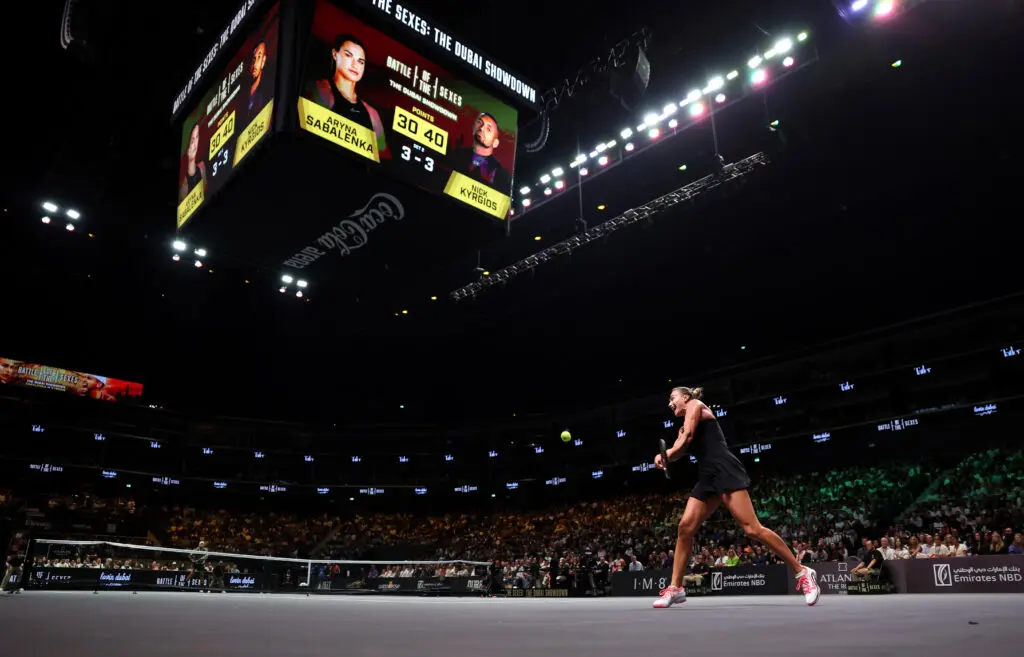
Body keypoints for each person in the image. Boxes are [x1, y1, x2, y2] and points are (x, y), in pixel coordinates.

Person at [652, 386, 820, 608]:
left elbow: (688, 437)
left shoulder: (696, 405)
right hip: (708, 475)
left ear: (686, 398)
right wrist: (665, 457)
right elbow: (680, 447)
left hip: (724, 468)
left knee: (752, 529)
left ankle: (802, 572)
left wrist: (669, 454)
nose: (670, 403)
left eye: (672, 398)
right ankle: (676, 588)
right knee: (685, 527)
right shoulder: (682, 426)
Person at [308, 34, 389, 159]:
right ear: (335, 55)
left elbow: (384, 159)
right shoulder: (320, 90)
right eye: (348, 55)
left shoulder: (372, 114)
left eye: (360, 61)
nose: (354, 64)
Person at [450, 113, 512, 192]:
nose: (482, 128)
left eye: (488, 129)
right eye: (480, 123)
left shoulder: (501, 174)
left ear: (495, 143)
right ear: (473, 127)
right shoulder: (457, 154)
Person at [178, 123, 207, 202]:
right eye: (192, 139)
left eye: (197, 137)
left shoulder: (205, 158)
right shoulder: (184, 181)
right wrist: (191, 160)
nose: (194, 143)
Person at [246, 40, 269, 120]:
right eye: (254, 59)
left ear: (263, 61)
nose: (255, 64)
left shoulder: (266, 92)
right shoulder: (244, 92)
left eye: (259, 57)